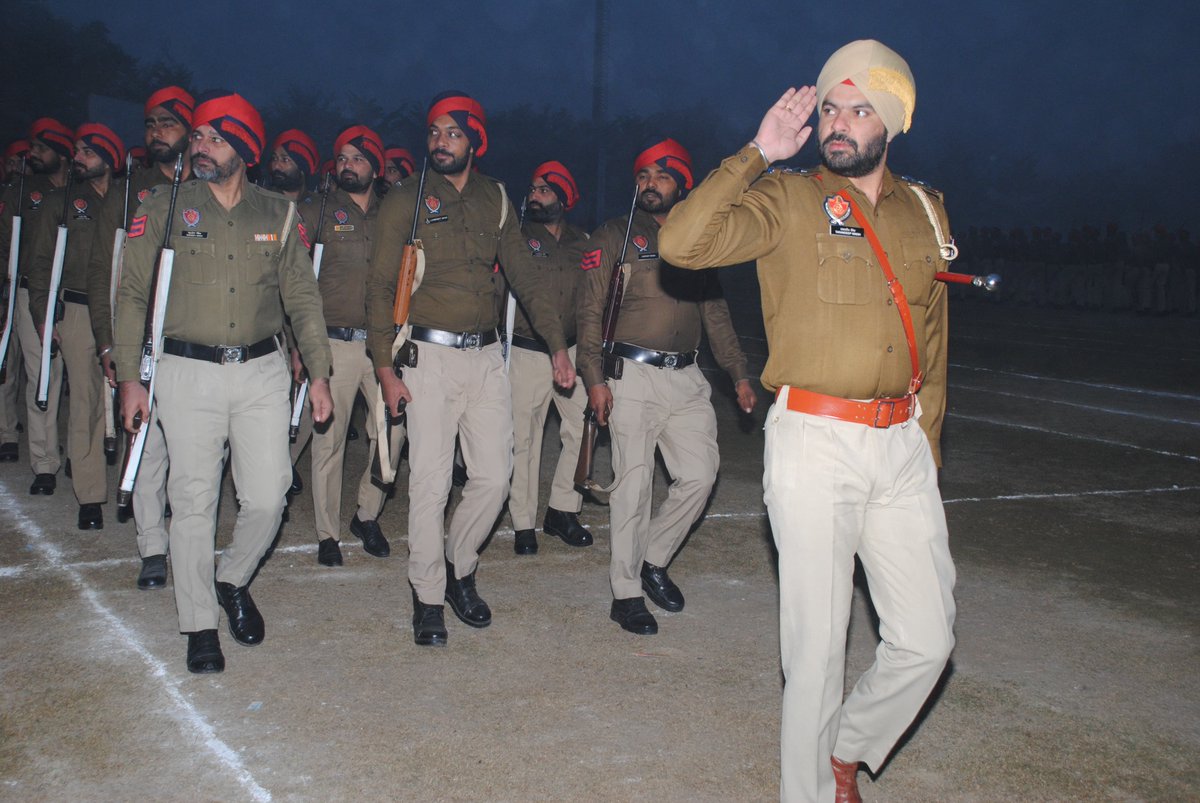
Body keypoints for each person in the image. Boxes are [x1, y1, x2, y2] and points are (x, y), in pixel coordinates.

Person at [658, 40, 957, 802]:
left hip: (901, 445)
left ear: (891, 122)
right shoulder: (788, 198)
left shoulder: (926, 209)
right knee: (816, 651)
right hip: (815, 440)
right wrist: (760, 150)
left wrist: (926, 445)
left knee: (927, 640)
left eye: (860, 110)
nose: (840, 122)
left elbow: (932, 334)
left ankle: (845, 750)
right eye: (830, 107)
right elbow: (681, 242)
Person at [115, 90, 333, 674]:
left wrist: (318, 373)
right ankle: (199, 624)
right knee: (193, 501)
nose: (199, 146)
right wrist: (132, 379)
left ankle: (231, 578)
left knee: (269, 494)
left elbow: (303, 300)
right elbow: (133, 293)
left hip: (262, 371)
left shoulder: (277, 214)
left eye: (214, 137)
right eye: (198, 137)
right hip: (185, 372)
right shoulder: (163, 205)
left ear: (245, 148)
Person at [367, 90, 574, 646]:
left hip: (486, 358)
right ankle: (428, 593)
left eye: (452, 133)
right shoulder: (405, 199)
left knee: (494, 477)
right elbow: (381, 286)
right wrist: (385, 368)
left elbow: (526, 278)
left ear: (475, 141)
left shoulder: (497, 199)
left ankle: (460, 564)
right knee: (431, 483)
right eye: (434, 132)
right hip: (426, 357)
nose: (440, 141)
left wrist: (557, 343)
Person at [577, 138, 754, 636]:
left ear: (683, 183)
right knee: (632, 488)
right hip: (629, 376)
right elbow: (589, 311)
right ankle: (626, 592)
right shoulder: (614, 234)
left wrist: (738, 373)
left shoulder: (698, 240)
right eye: (642, 177)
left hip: (687, 378)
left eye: (661, 176)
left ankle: (653, 558)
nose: (650, 184)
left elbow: (715, 313)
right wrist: (593, 377)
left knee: (700, 476)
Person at [91, 85, 195, 587]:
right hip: (146, 338)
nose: (156, 133)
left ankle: (187, 538)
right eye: (151, 124)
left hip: (197, 343)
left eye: (168, 124)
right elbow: (103, 273)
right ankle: (152, 545)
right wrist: (110, 344)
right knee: (146, 447)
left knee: (195, 454)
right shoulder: (132, 191)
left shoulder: (212, 187)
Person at [289, 124, 402, 567]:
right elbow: (294, 279)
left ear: (374, 166)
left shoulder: (392, 213)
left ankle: (367, 514)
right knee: (328, 441)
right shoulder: (315, 211)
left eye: (357, 159)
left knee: (392, 433)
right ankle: (327, 534)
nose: (347, 166)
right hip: (331, 345)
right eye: (341, 159)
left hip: (382, 347)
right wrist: (300, 342)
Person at [26, 123, 125, 530]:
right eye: (78, 151)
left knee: (130, 401)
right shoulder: (60, 202)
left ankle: (136, 485)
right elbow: (39, 264)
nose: (79, 158)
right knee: (84, 401)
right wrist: (43, 315)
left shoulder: (129, 199)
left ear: (109, 156)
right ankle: (90, 494)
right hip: (79, 311)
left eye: (88, 151)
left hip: (126, 312)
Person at [505, 160, 592, 555]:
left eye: (544, 190)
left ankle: (562, 508)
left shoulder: (583, 241)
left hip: (573, 350)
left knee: (583, 428)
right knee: (524, 439)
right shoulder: (517, 237)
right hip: (527, 351)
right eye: (533, 189)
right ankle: (523, 523)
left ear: (564, 195)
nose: (534, 196)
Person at [0, 118, 71, 496]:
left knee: (81, 379)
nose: (34, 155)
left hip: (75, 295)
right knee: (42, 374)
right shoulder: (25, 191)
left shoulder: (83, 191)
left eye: (42, 148)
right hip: (32, 291)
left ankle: (78, 449)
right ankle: (44, 461)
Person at [0, 139, 31, 463]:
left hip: (35, 289)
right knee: (6, 366)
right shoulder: (10, 197)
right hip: (10, 287)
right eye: (13, 162)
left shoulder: (47, 196)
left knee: (36, 371)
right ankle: (7, 431)